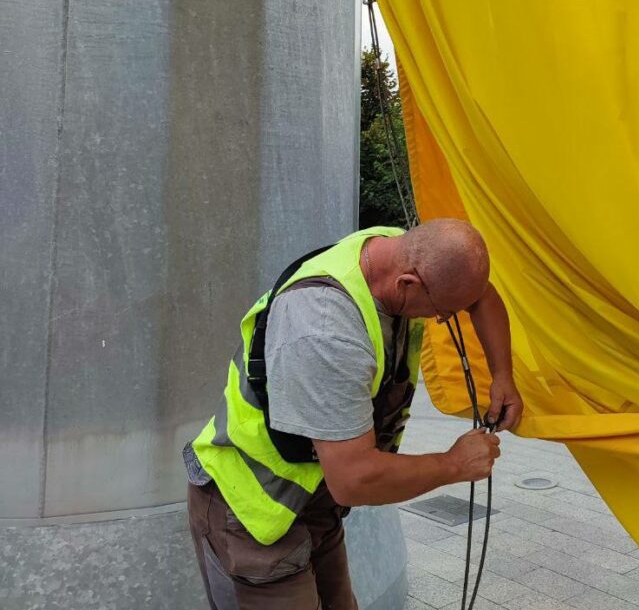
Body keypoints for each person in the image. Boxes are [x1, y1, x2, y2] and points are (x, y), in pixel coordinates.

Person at [184, 218, 523, 609]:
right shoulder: (326, 333)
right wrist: (454, 464)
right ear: (407, 285)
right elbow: (354, 479)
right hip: (251, 513)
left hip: (315, 502)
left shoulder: (400, 251)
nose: (443, 321)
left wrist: (503, 376)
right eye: (442, 312)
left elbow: (478, 294)